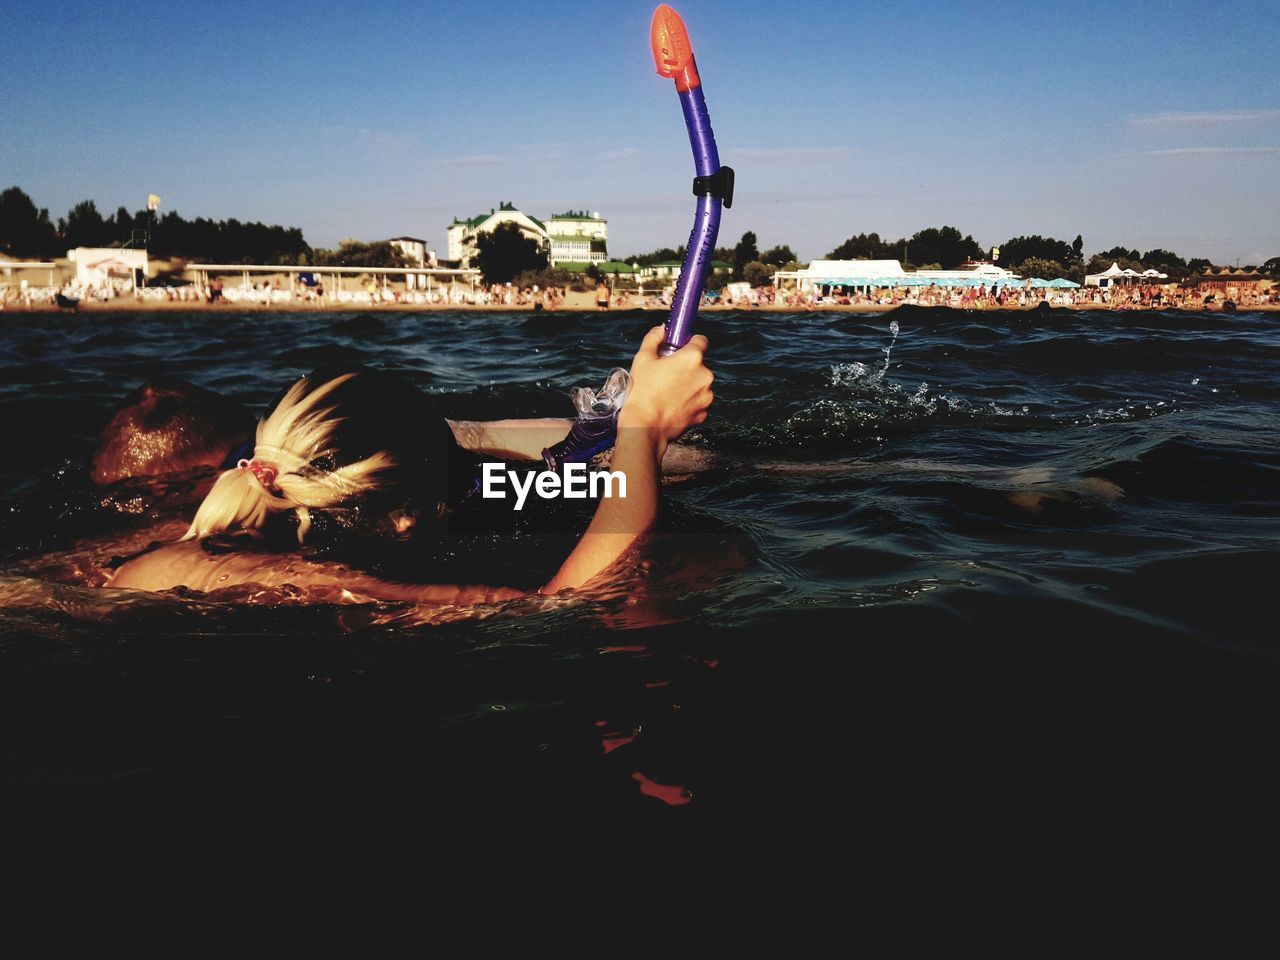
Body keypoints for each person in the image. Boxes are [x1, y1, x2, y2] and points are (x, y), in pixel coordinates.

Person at [106, 326, 714, 601]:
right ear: (405, 519)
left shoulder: (183, 543)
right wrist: (644, 430)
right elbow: (565, 599)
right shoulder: (328, 586)